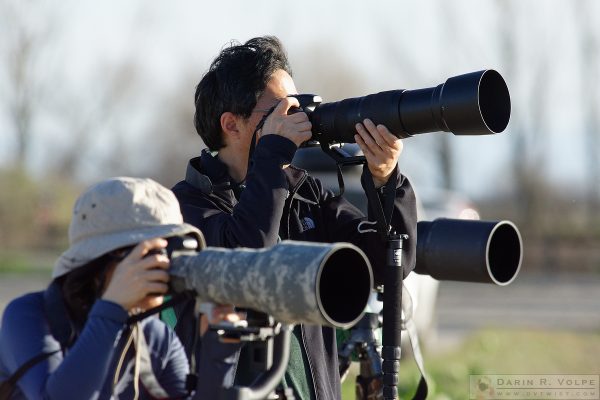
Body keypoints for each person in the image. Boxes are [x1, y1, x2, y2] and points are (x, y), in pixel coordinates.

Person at [172, 36, 417, 400]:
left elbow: (387, 263)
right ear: (232, 124)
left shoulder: (304, 194)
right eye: (282, 112)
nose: (299, 119)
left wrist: (385, 180)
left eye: (299, 106)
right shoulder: (187, 206)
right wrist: (271, 158)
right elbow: (244, 261)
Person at [0, 177, 204, 400]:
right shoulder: (31, 315)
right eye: (150, 252)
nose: (163, 264)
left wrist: (222, 347)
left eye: (170, 250)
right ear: (104, 258)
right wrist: (112, 308)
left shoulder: (155, 337)